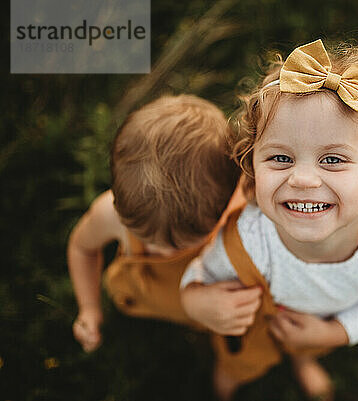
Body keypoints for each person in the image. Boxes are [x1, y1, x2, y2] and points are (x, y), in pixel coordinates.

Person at [180, 39, 358, 400]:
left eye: (333, 160)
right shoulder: (247, 239)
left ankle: (303, 359)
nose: (303, 179)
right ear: (252, 165)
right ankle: (227, 382)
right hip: (256, 329)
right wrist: (195, 302)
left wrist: (332, 334)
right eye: (280, 158)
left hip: (319, 325)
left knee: (306, 344)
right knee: (236, 367)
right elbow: (200, 272)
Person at [67, 94, 253, 353]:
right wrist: (89, 307)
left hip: (206, 309)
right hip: (140, 297)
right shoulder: (110, 214)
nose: (162, 252)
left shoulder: (242, 216)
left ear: (224, 208)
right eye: (142, 236)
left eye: (179, 245)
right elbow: (81, 248)